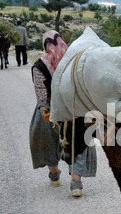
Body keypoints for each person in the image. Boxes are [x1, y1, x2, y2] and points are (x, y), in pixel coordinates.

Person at [29, 30, 97, 197]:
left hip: (51, 109)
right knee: (78, 141)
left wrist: (43, 108)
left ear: (45, 46)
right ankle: (76, 182)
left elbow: (40, 90)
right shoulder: (73, 60)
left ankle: (54, 174)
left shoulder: (40, 65)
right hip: (74, 107)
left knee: (46, 139)